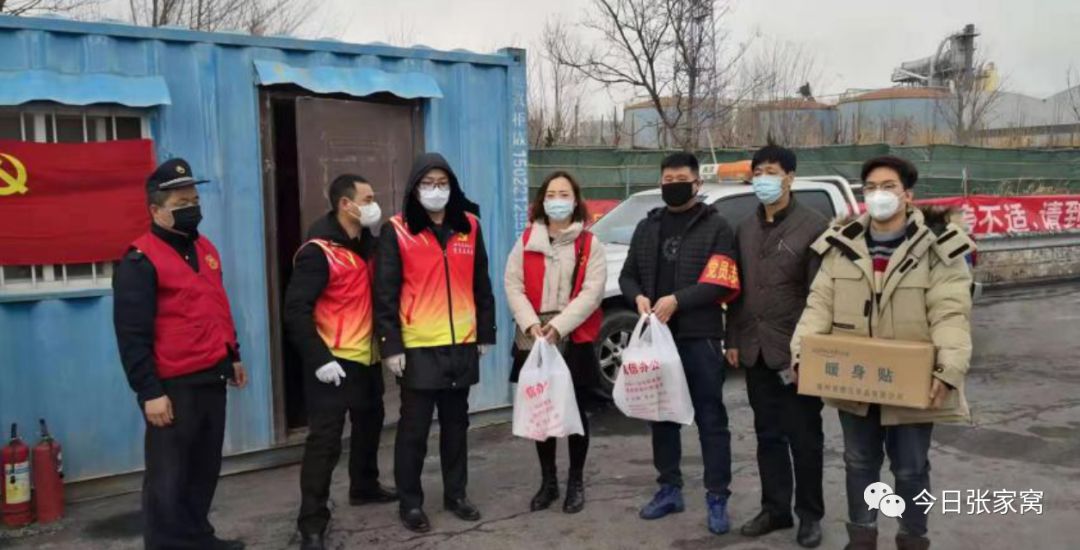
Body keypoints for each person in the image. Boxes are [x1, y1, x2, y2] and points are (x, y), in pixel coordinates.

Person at [791, 156, 974, 550]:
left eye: (888, 187)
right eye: (871, 187)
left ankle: (912, 539)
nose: (878, 195)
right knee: (858, 463)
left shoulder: (938, 248)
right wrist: (801, 352)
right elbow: (818, 305)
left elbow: (950, 313)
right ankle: (862, 538)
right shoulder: (841, 246)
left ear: (908, 195)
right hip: (854, 378)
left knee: (910, 469)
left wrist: (948, 369)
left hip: (912, 381)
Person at [113, 158, 247, 550]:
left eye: (195, 200)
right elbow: (132, 335)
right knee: (168, 475)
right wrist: (149, 392)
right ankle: (166, 544)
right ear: (156, 211)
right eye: (181, 203)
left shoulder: (205, 248)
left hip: (212, 374)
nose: (192, 208)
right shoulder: (140, 260)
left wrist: (232, 354)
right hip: (173, 385)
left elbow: (216, 306)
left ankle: (197, 537)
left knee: (204, 467)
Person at [619, 152, 741, 535]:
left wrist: (678, 300)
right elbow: (627, 276)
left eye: (681, 179)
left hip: (699, 337)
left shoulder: (716, 227)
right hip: (658, 340)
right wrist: (638, 297)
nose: (673, 185)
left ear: (697, 183)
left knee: (710, 418)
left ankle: (717, 496)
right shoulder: (647, 227)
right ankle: (669, 488)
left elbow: (720, 282)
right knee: (661, 417)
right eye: (667, 179)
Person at [374, 153, 497, 534]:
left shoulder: (469, 226)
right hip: (418, 348)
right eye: (427, 184)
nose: (435, 190)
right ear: (415, 188)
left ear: (452, 187)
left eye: (442, 183)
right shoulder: (397, 230)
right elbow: (385, 293)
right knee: (413, 431)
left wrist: (485, 332)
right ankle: (410, 502)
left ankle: (456, 495)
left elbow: (481, 284)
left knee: (457, 426)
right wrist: (391, 346)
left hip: (461, 344)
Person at [284, 174, 398, 550]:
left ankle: (364, 485)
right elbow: (296, 310)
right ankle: (312, 523)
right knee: (325, 442)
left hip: (366, 357)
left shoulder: (369, 246)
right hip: (331, 363)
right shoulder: (318, 252)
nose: (374, 204)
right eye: (367, 199)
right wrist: (319, 358)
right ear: (345, 205)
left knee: (370, 424)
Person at [725, 144, 828, 548]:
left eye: (771, 171)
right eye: (757, 172)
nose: (763, 179)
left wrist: (810, 350)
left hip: (796, 353)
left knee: (805, 438)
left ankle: (810, 515)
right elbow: (737, 291)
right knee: (767, 435)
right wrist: (733, 338)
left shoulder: (814, 226)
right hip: (755, 349)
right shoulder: (744, 229)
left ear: (790, 177)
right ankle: (775, 509)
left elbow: (821, 297)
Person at [504, 171, 607, 515]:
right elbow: (513, 285)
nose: (557, 200)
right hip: (534, 337)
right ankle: (548, 481)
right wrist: (531, 323)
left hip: (572, 336)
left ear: (575, 200)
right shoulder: (526, 240)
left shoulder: (589, 244)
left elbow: (592, 293)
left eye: (564, 194)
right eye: (551, 194)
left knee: (575, 412)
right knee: (542, 411)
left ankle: (575, 481)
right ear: (541, 201)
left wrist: (559, 326)